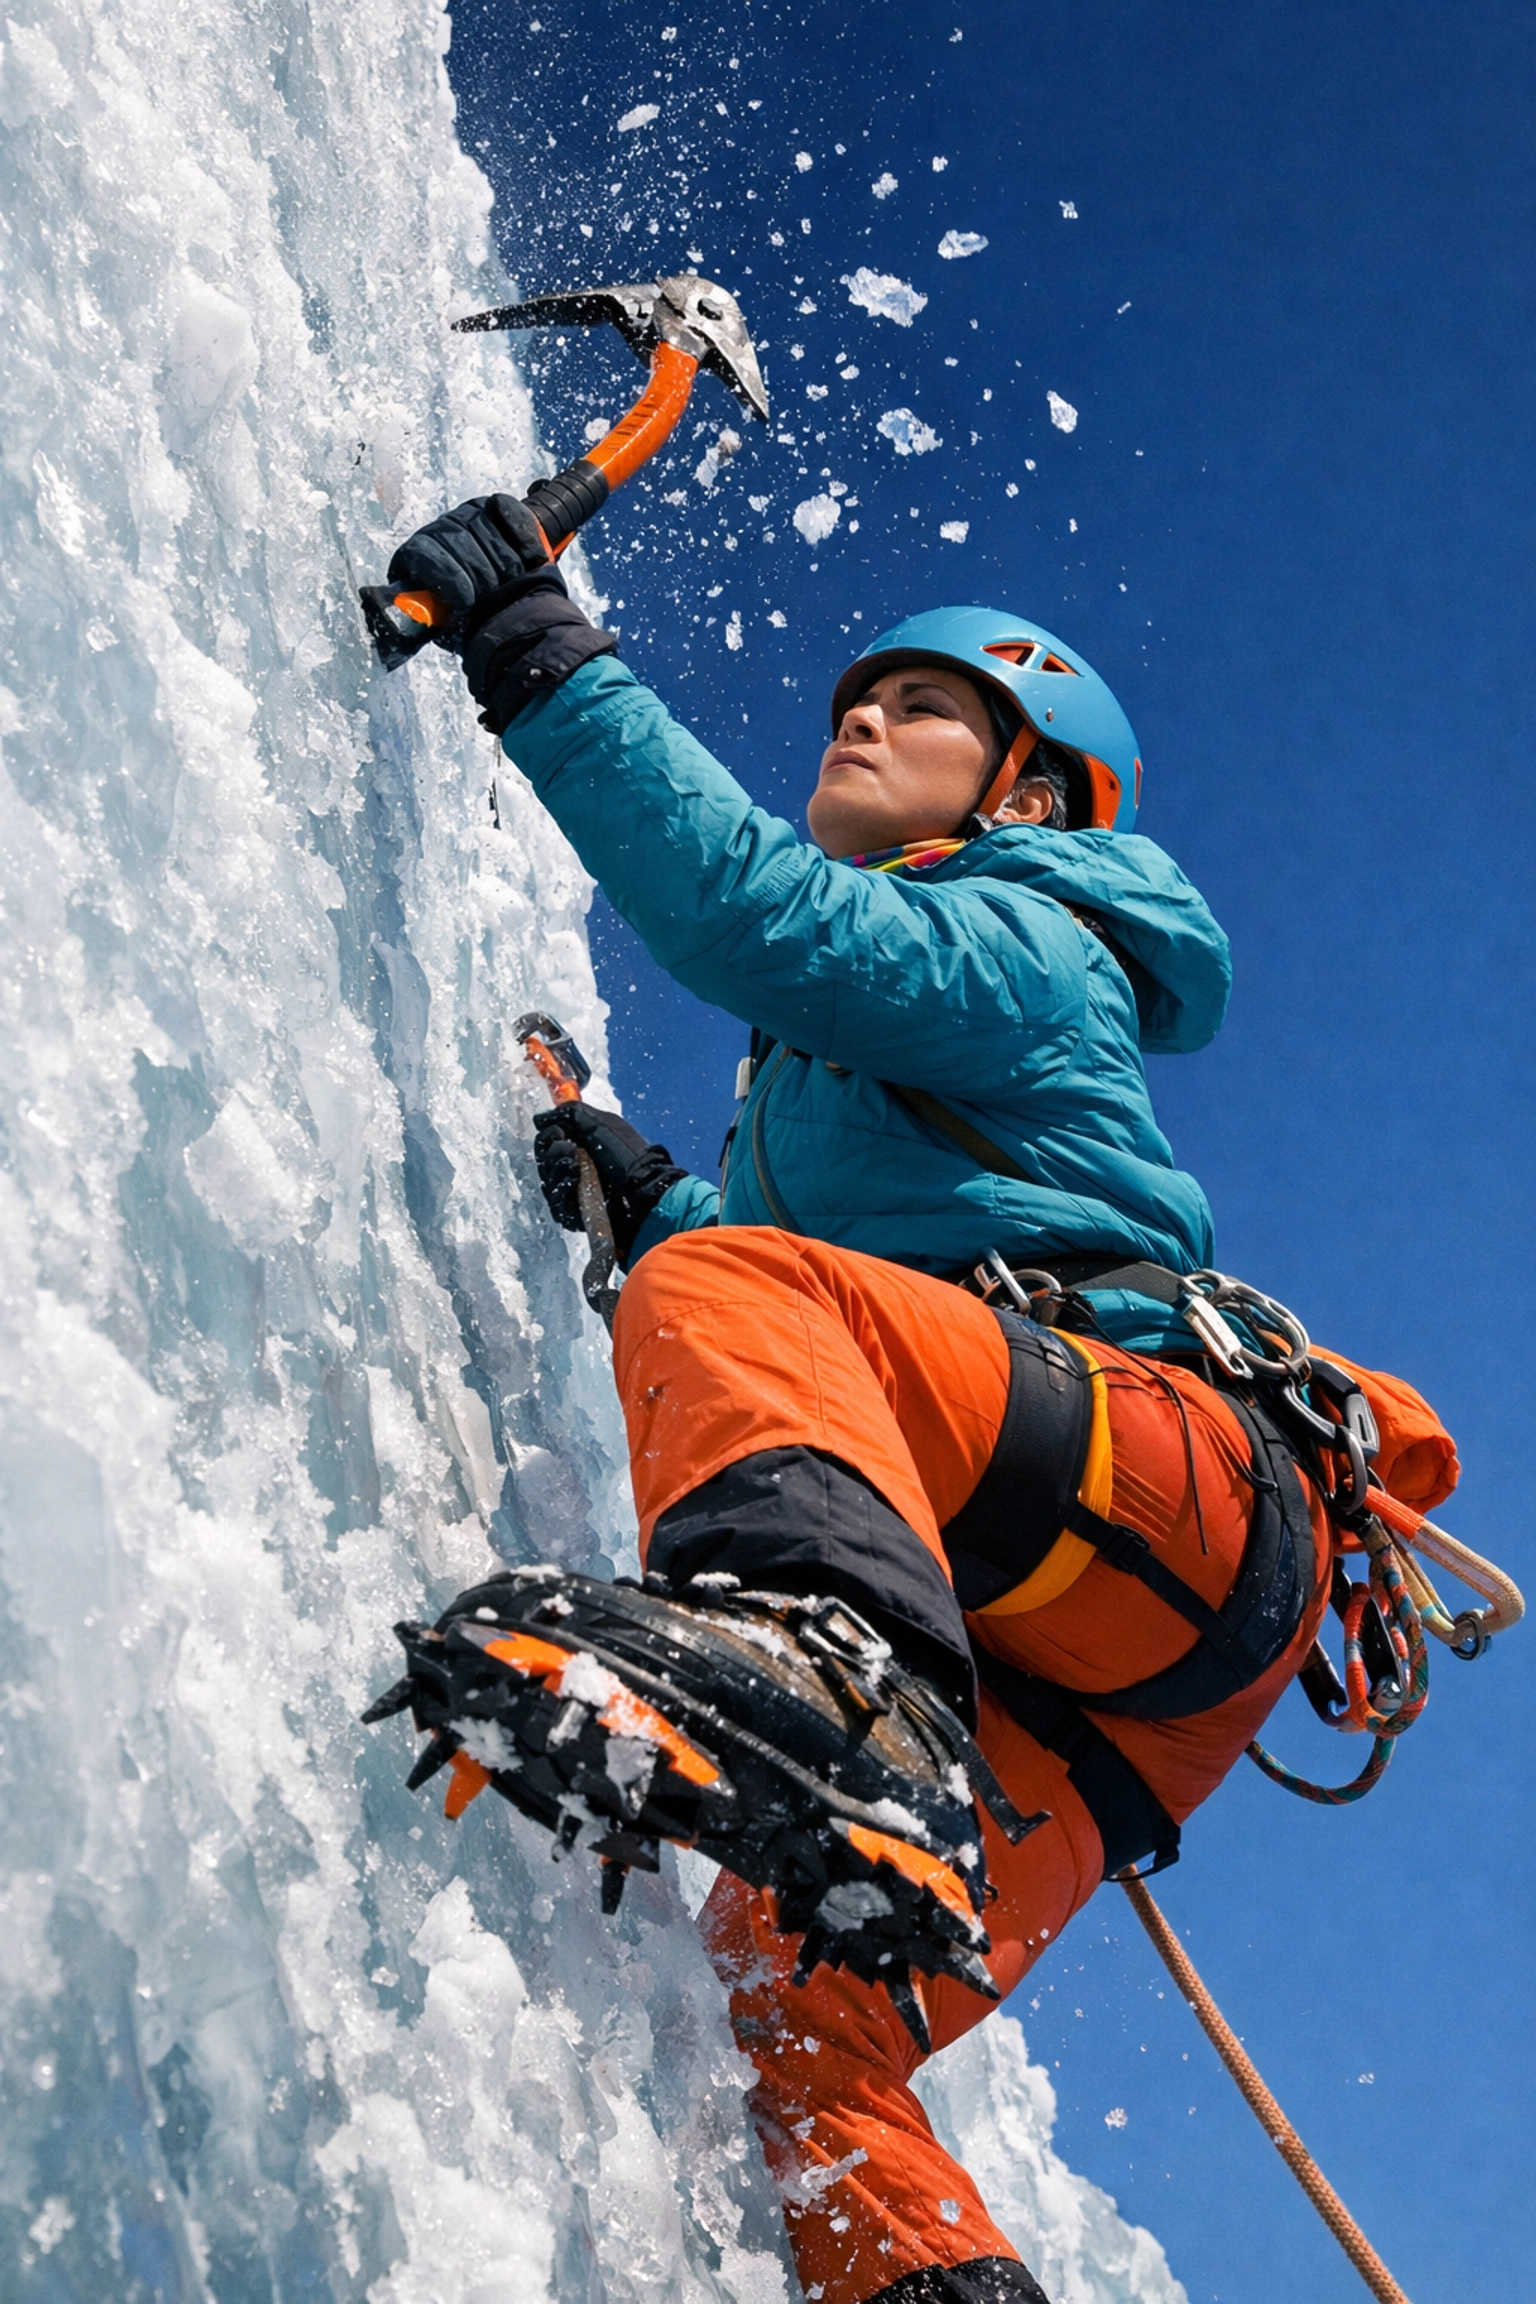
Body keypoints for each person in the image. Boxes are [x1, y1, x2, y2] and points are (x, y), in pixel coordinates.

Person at [377, 496, 1449, 2304]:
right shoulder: (845, 1076)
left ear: (1024, 794)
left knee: (739, 1290)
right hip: (1109, 1652)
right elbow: (879, 1292)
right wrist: (648, 1195)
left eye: (924, 707)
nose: (857, 718)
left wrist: (544, 655)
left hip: (1163, 1489)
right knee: (783, 2039)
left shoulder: (1036, 944)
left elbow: (748, 919)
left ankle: (837, 1666)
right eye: (853, 699)